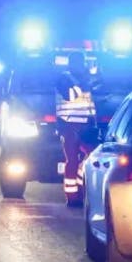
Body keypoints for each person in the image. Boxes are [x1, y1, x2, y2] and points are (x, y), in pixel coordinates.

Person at [54, 52, 98, 204]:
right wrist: (84, 84)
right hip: (69, 125)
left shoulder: (86, 79)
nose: (81, 66)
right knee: (72, 160)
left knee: (91, 158)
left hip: (86, 125)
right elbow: (70, 95)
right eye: (78, 63)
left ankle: (80, 186)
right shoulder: (63, 78)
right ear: (71, 64)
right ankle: (72, 197)